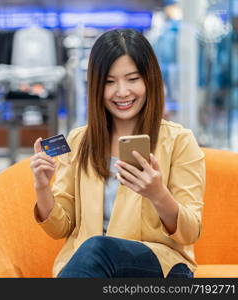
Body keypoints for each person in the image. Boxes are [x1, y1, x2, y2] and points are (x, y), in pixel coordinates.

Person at [30, 28, 205, 278]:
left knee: (98, 248)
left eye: (132, 79)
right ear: (96, 86)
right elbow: (61, 228)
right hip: (91, 268)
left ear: (149, 79)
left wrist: (158, 195)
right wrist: (42, 187)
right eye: (110, 82)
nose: (122, 92)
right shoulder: (79, 140)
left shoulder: (179, 141)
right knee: (94, 250)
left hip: (161, 267)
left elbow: (191, 232)